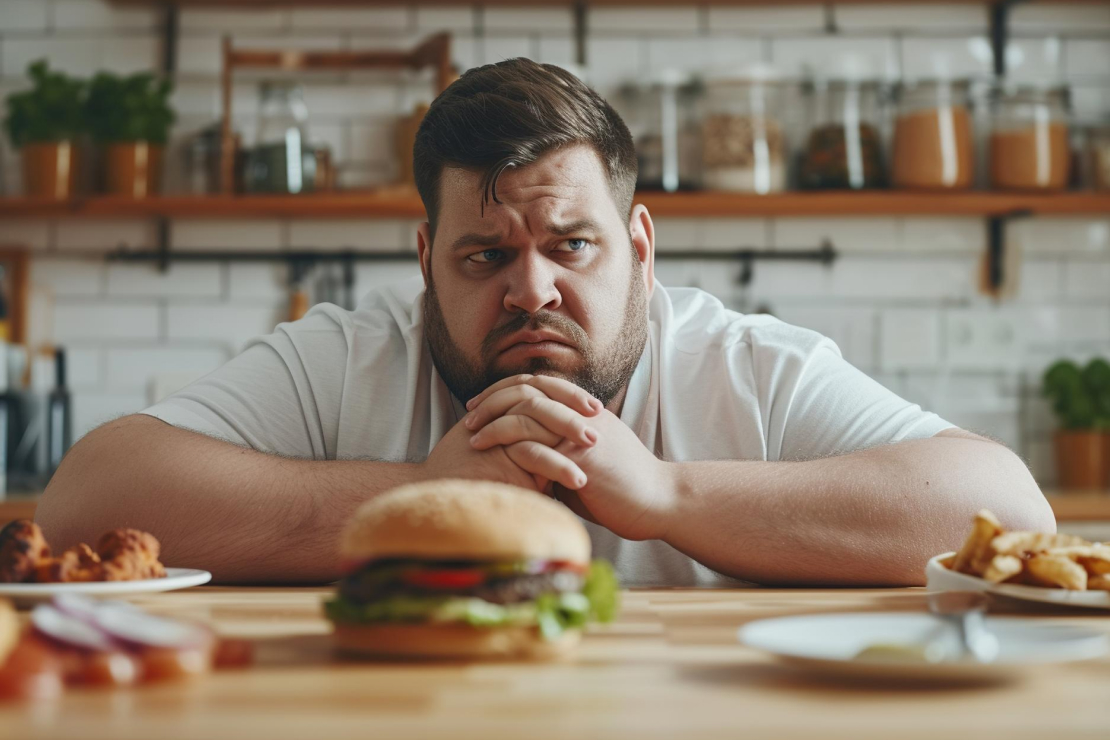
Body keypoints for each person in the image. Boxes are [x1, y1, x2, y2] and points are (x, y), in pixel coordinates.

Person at [36, 59, 1053, 586]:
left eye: (573, 246)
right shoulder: (346, 357)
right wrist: (424, 492)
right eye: (485, 256)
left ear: (642, 248)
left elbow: (1006, 509)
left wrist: (662, 491)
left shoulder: (744, 365)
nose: (530, 291)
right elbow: (86, 499)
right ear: (424, 258)